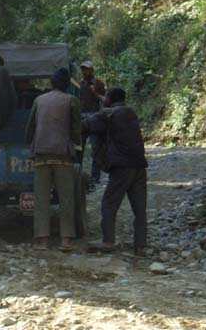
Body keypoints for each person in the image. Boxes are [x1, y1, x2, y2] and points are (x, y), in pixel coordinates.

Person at [83, 87, 149, 257]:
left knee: (109, 203)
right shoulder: (131, 113)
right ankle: (140, 246)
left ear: (110, 99)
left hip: (122, 167)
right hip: (140, 166)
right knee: (139, 208)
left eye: (106, 97)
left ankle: (108, 241)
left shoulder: (108, 114)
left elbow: (86, 125)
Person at [25, 67, 82, 252]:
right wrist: (76, 144)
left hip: (41, 155)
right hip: (63, 156)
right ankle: (66, 240)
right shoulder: (71, 100)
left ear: (51, 83)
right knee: (66, 198)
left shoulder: (39, 100)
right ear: (67, 84)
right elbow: (75, 129)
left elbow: (30, 127)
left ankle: (42, 240)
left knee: (41, 199)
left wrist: (31, 144)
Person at [79, 60, 106, 185]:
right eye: (83, 69)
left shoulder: (98, 83)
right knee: (79, 148)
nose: (85, 71)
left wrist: (95, 92)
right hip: (82, 118)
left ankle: (95, 177)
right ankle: (77, 175)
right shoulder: (79, 84)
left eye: (87, 69)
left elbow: (105, 100)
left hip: (95, 117)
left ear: (92, 70)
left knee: (96, 149)